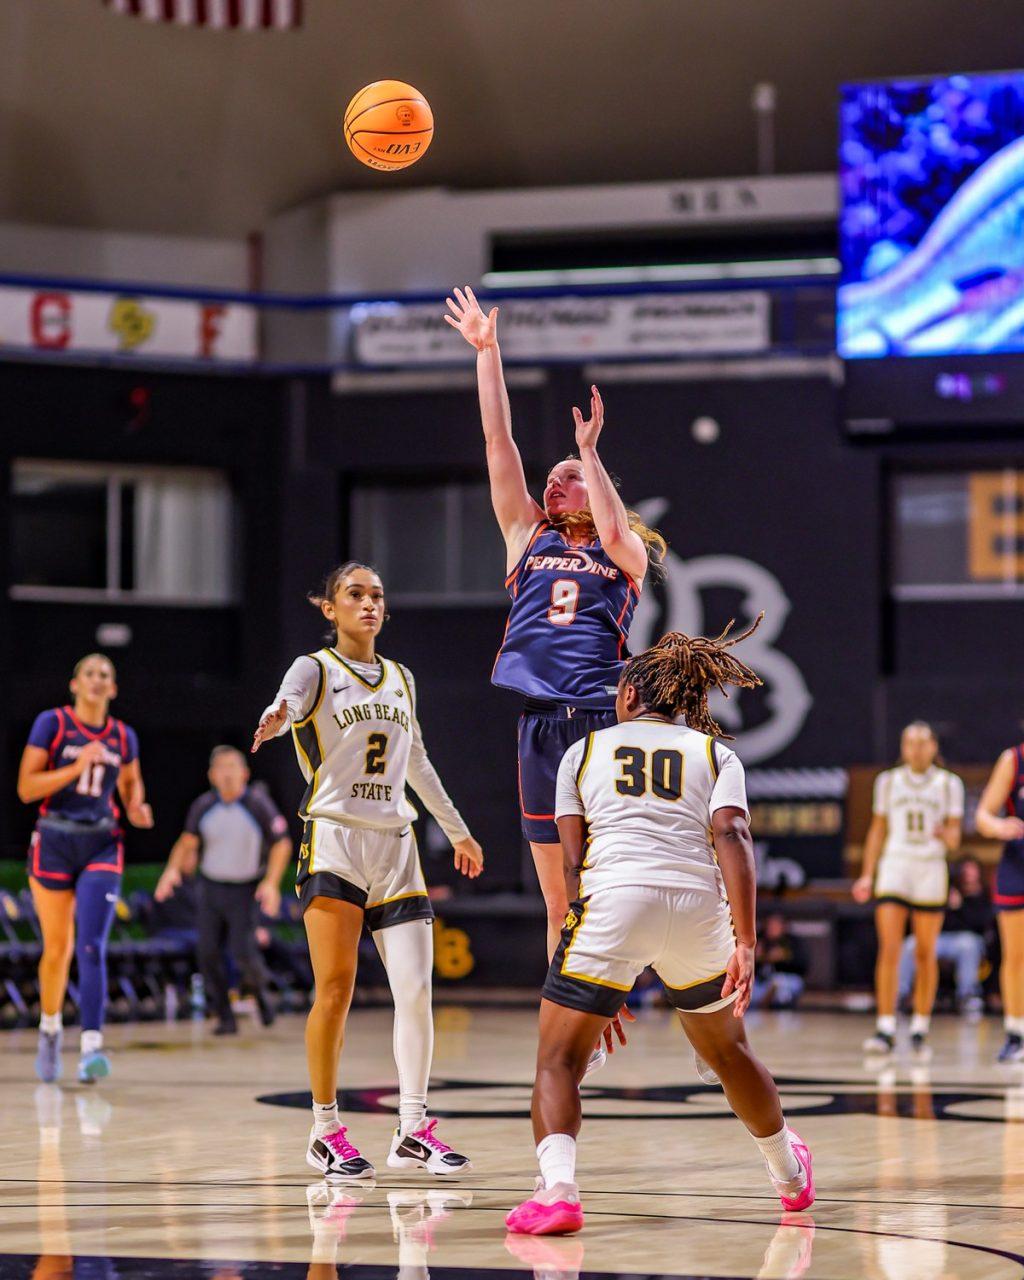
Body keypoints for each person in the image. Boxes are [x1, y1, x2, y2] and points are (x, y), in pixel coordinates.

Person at [505, 621, 814, 1237]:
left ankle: (559, 1192)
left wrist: (597, 980)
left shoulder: (582, 752)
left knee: (558, 1058)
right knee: (729, 1053)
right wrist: (747, 941)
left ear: (626, 697)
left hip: (612, 903)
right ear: (688, 702)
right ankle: (788, 1174)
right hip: (699, 910)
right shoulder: (715, 753)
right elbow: (732, 835)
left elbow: (574, 861)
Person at [444, 286, 666, 973]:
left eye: (567, 478)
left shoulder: (624, 550)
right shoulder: (525, 535)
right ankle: (564, 1025)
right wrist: (488, 354)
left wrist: (589, 454)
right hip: (542, 723)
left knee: (610, 886)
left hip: (602, 719)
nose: (555, 482)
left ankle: (622, 996)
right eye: (554, 477)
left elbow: (610, 521)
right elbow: (496, 440)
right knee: (558, 898)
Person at [252, 561, 485, 1180]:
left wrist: (456, 828)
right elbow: (290, 700)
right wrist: (278, 716)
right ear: (329, 608)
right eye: (354, 595)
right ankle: (325, 1129)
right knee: (335, 991)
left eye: (377, 595)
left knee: (415, 990)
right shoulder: (316, 668)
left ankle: (413, 1126)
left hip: (396, 841)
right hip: (334, 838)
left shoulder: (403, 679)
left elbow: (419, 762)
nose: (369, 604)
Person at [17, 653, 154, 1084]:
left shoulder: (122, 735)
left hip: (101, 841)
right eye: (89, 674)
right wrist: (76, 766)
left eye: (105, 676)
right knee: (58, 948)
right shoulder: (52, 724)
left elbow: (131, 785)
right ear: (74, 684)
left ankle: (91, 1046)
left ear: (113, 689)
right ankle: (51, 1029)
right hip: (55, 839)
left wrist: (136, 807)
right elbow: (26, 788)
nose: (97, 681)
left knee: (92, 944)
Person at [154, 745, 293, 1034]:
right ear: (211, 775)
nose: (227, 775)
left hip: (245, 889)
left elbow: (282, 843)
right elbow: (187, 842)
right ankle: (224, 1015)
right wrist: (171, 871)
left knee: (243, 952)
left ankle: (259, 992)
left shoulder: (258, 805)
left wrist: (271, 883)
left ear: (244, 773)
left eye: (233, 768)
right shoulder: (203, 806)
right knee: (207, 953)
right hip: (210, 887)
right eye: (221, 768)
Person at [852, 722, 964, 1059]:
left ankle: (920, 1026)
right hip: (896, 864)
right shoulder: (888, 781)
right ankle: (885, 1026)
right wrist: (867, 874)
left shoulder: (949, 784)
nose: (915, 748)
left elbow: (956, 840)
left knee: (925, 952)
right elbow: (877, 829)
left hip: (930, 866)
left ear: (933, 746)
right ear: (902, 747)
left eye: (921, 742)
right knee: (890, 947)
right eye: (909, 742)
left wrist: (945, 834)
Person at [975, 742, 1024, 1062]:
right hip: (1018, 865)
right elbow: (982, 815)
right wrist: (999, 826)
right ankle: (1016, 1033)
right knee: (1016, 954)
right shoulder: (1013, 759)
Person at [897, 858, 993, 1015]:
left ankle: (967, 996)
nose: (969, 875)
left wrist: (960, 907)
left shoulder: (983, 895)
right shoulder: (945, 892)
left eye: (972, 870)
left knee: (968, 944)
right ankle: (902, 994)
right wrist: (947, 905)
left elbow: (980, 925)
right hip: (939, 938)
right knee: (911, 944)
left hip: (965, 940)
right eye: (966, 870)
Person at [752, 913, 807, 1009]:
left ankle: (774, 1000)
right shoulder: (759, 940)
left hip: (786, 979)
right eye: (770, 926)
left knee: (783, 984)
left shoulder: (792, 942)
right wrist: (755, 958)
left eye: (776, 926)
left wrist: (784, 958)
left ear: (783, 927)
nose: (772, 929)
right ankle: (765, 1000)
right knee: (751, 990)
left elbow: (803, 966)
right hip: (762, 982)